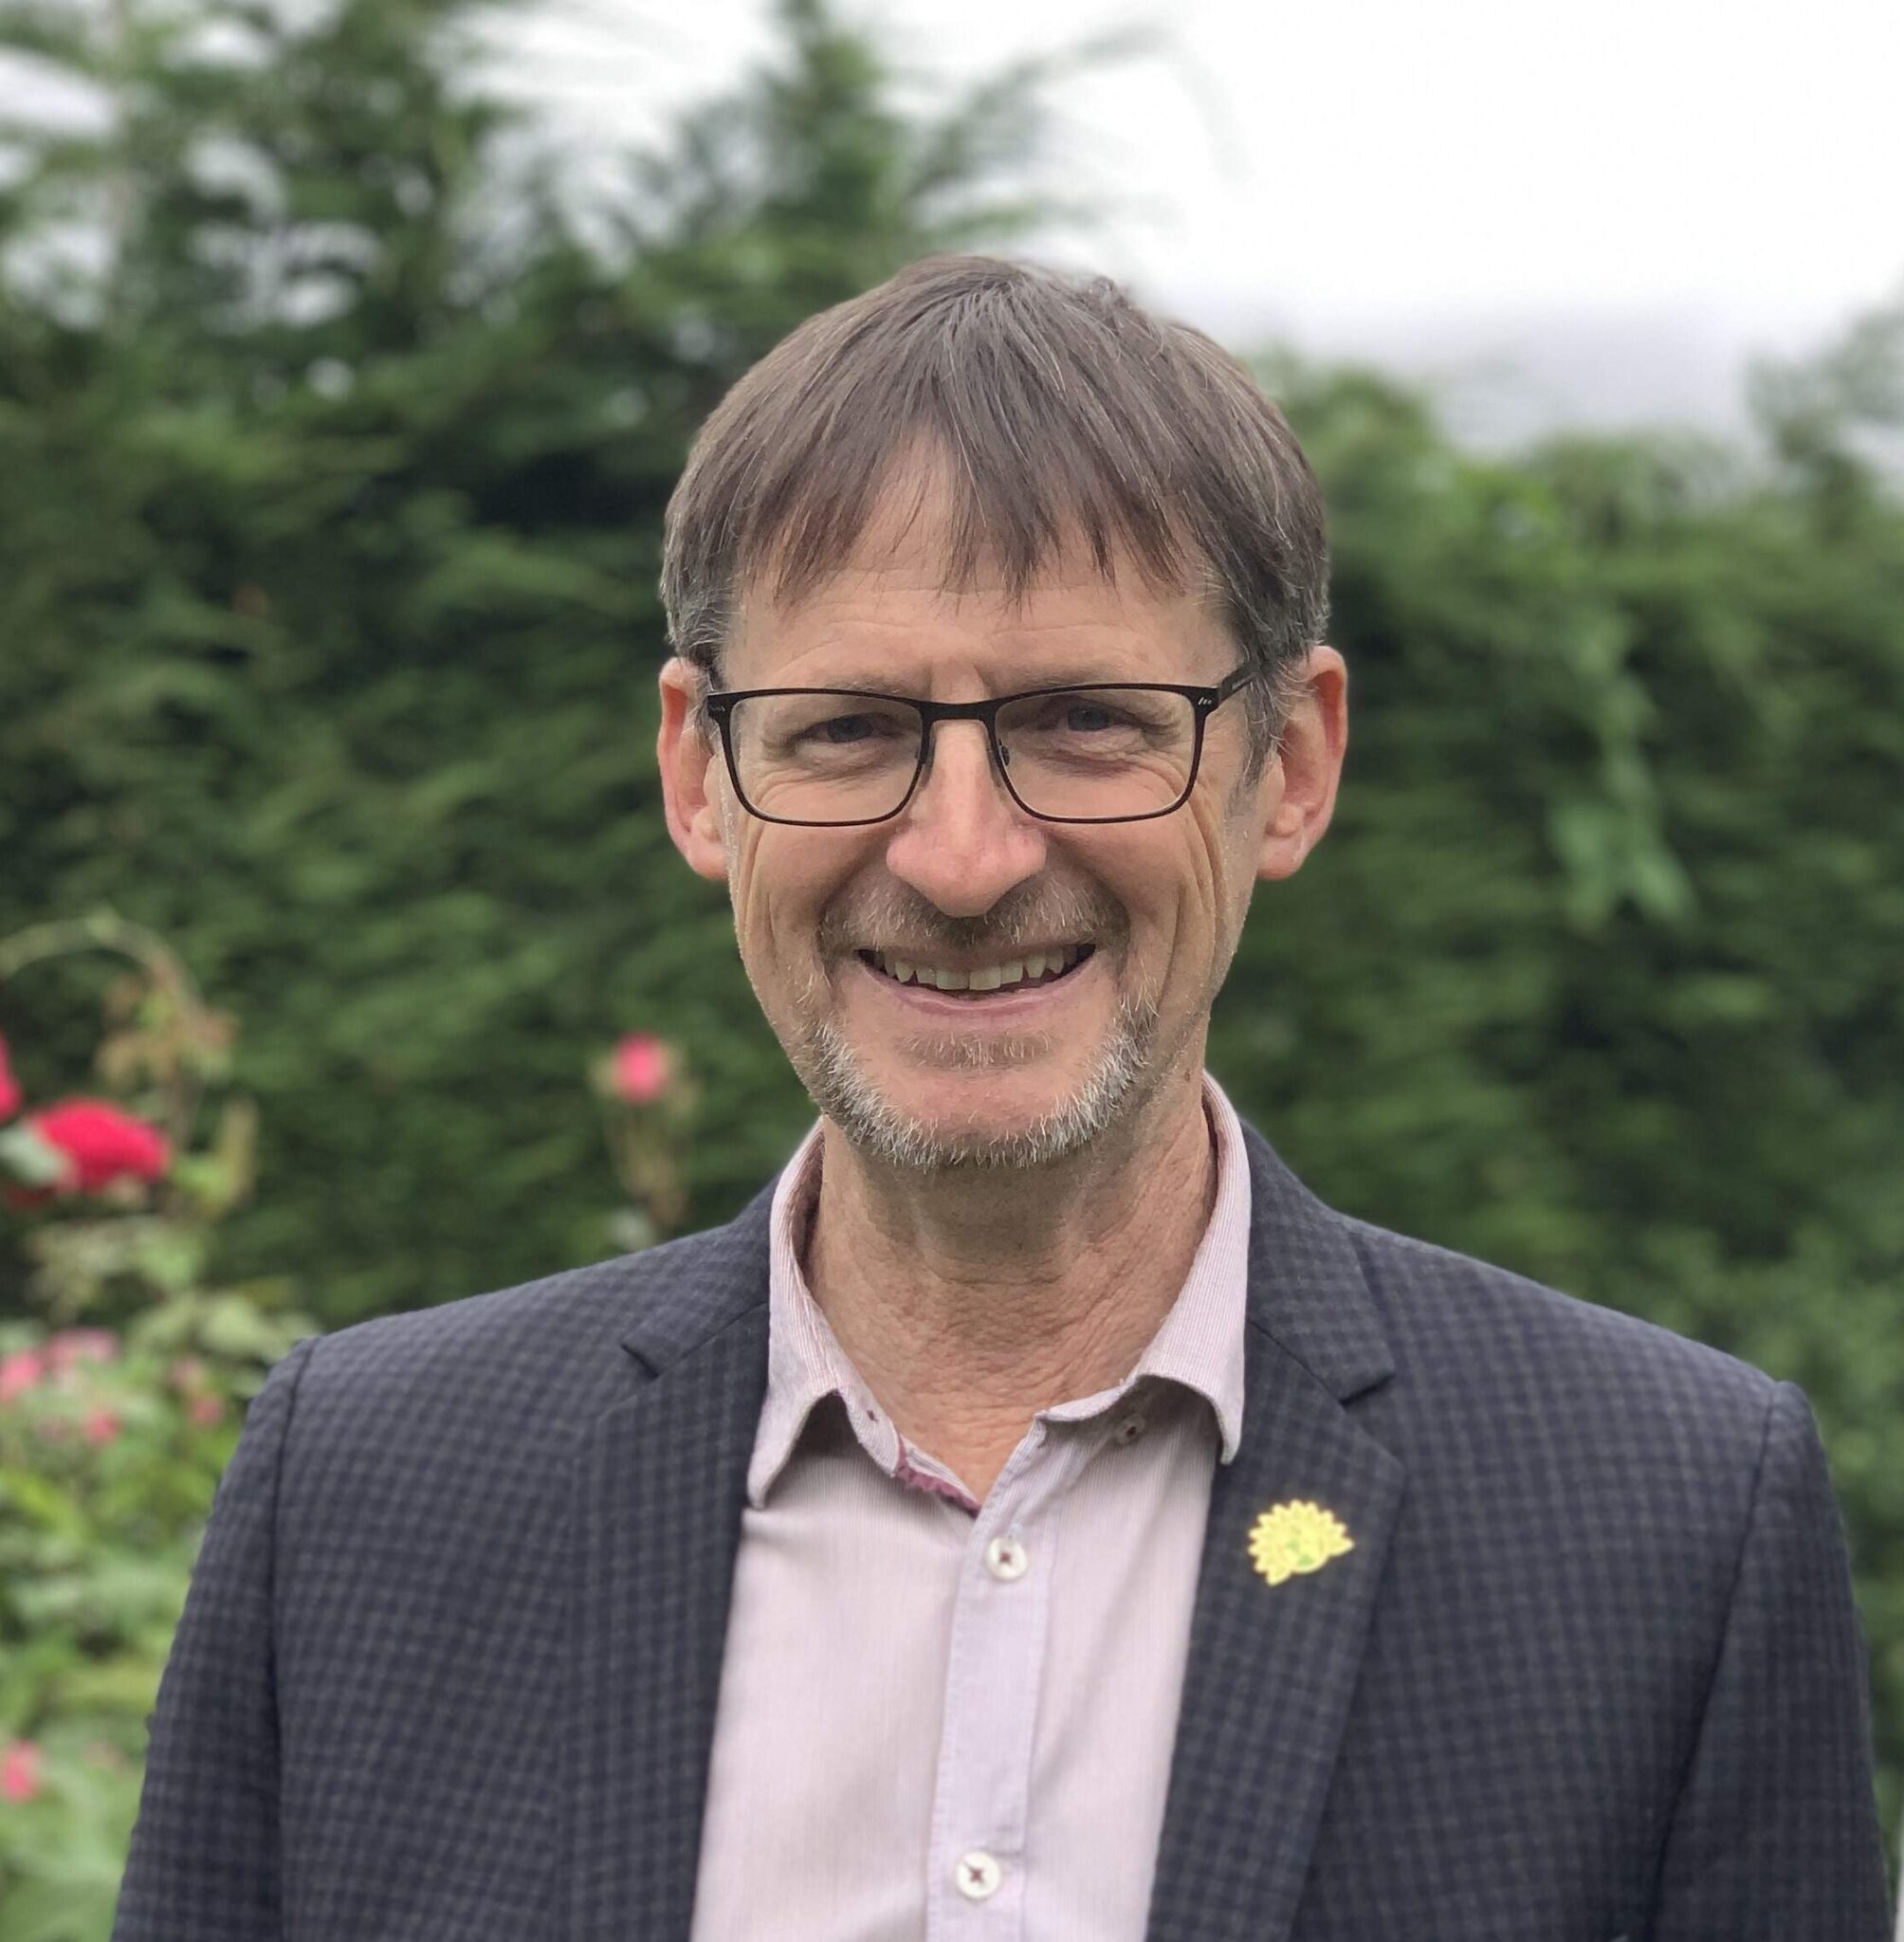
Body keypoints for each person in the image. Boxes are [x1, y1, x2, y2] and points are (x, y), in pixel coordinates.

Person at [112, 255, 1890, 1941]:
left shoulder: (1664, 1525)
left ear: (1293, 765)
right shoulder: (367, 1490)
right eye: (844, 729)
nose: (962, 858)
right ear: (700, 775)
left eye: (1090, 722)